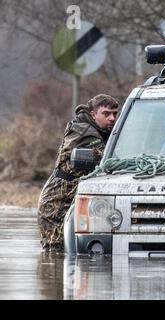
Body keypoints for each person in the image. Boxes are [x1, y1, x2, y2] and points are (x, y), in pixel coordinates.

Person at [37, 94, 119, 252]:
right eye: (106, 113)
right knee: (58, 253)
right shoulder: (83, 133)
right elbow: (108, 158)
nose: (112, 118)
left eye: (115, 114)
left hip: (75, 203)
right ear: (93, 114)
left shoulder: (100, 131)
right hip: (57, 205)